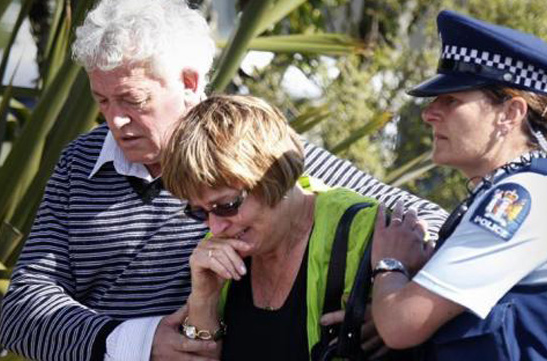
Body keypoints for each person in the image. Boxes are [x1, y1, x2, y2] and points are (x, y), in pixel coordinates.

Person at [0, 1, 448, 361]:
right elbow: (19, 314)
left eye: (132, 100)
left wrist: (382, 307)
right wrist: (138, 343)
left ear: (190, 82)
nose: (115, 119)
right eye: (101, 100)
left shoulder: (258, 151)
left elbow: (422, 218)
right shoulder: (80, 163)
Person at [369, 9, 547, 361]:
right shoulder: (537, 184)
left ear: (511, 114)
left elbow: (401, 324)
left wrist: (389, 263)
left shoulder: (524, 199)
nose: (429, 113)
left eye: (452, 100)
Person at [161, 94, 420, 360]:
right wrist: (204, 299)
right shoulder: (220, 252)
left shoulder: (365, 234)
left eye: (226, 205)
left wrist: (392, 309)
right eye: (198, 212)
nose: (214, 228)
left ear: (272, 175)